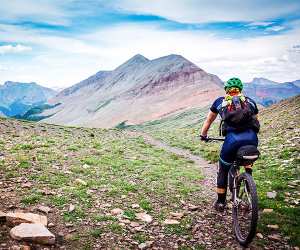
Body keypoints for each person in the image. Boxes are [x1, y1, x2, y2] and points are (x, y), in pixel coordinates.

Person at [200, 77, 259, 212]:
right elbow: (256, 123)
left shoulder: (220, 102)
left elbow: (208, 121)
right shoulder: (250, 102)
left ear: (226, 89)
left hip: (232, 141)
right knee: (247, 157)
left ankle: (221, 203)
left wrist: (203, 135)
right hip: (251, 139)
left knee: (223, 169)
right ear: (241, 89)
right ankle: (248, 180)